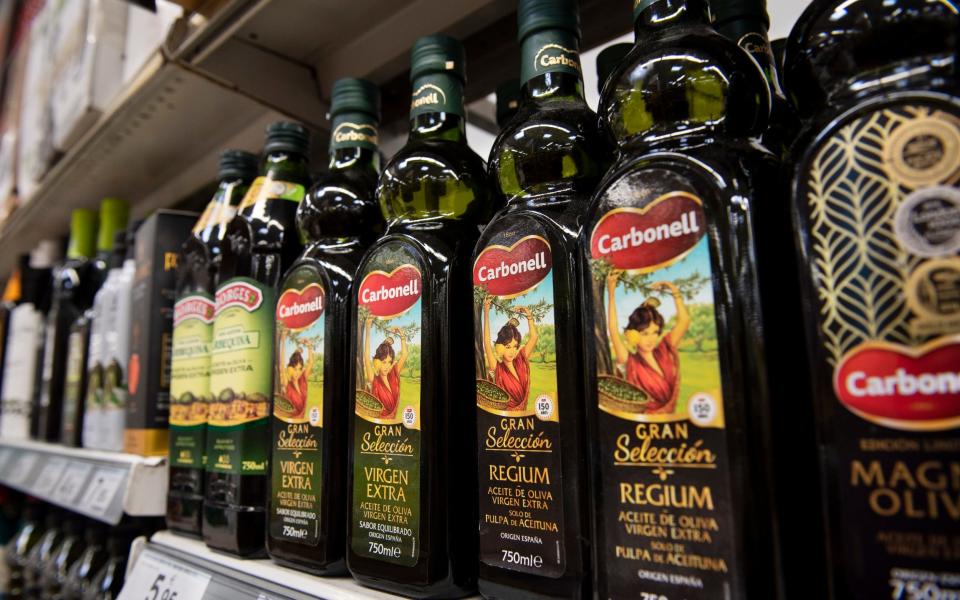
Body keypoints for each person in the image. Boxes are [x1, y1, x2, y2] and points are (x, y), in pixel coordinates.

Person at [605, 272, 690, 414]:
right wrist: (611, 291)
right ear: (634, 334)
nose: (651, 339)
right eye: (645, 333)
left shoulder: (664, 349)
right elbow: (613, 329)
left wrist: (674, 291)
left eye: (655, 332)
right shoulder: (629, 361)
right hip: (643, 424)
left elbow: (684, 321)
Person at [482, 297, 538, 410]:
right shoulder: (498, 368)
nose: (512, 351)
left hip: (523, 417)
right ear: (500, 346)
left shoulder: (520, 360)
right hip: (505, 418)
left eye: (515, 346)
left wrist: (529, 316)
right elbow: (487, 342)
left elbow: (534, 337)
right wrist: (486, 313)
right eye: (508, 347)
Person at [363, 316, 408, 419]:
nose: (387, 366)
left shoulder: (393, 374)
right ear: (377, 362)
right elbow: (366, 356)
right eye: (384, 362)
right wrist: (368, 328)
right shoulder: (374, 380)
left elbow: (404, 354)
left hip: (393, 426)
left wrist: (402, 335)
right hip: (377, 425)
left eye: (389, 362)